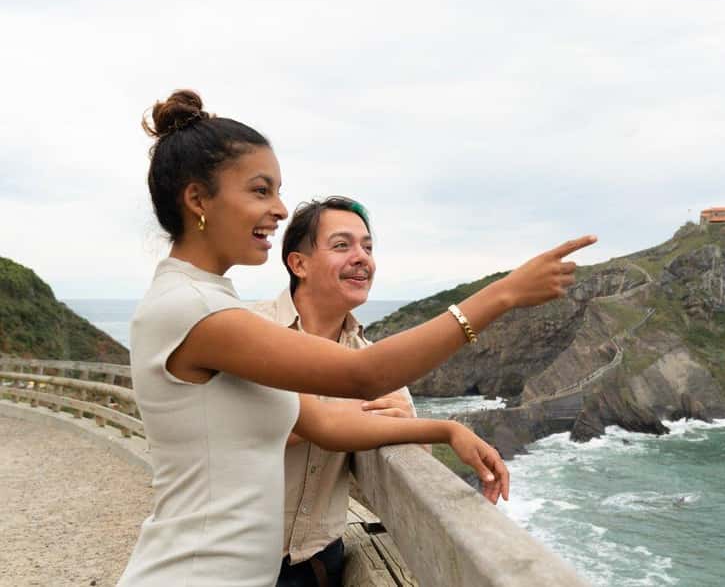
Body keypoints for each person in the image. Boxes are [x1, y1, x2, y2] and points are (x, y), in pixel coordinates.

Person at [118, 89, 596, 587]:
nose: (279, 209)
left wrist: (443, 429)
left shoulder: (207, 303)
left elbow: (324, 423)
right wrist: (503, 294)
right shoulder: (197, 310)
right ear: (198, 199)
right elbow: (363, 375)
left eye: (278, 191)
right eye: (261, 191)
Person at [250, 196, 420, 586]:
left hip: (317, 566)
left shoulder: (371, 358)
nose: (362, 258)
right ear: (299, 264)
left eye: (368, 247)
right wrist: (357, 414)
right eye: (342, 245)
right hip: (231, 558)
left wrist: (405, 427)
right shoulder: (249, 330)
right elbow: (255, 426)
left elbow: (413, 461)